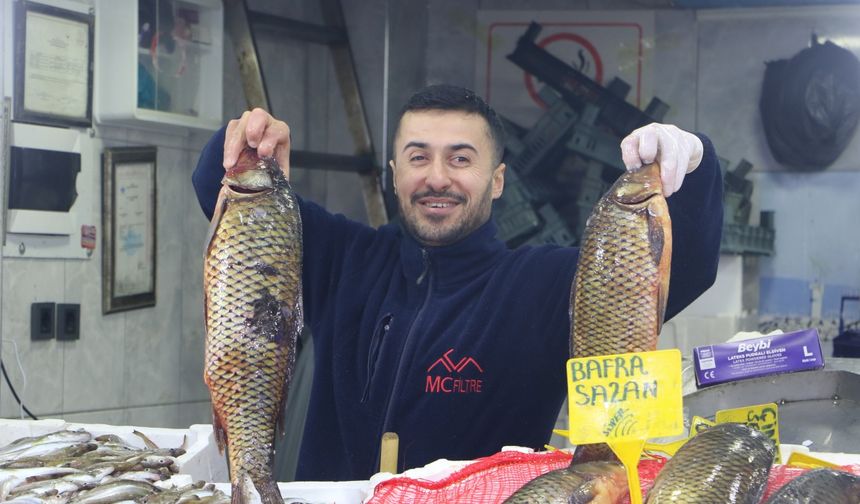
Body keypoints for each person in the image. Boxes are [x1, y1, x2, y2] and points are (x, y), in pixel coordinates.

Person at [192, 84, 723, 482]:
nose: (438, 177)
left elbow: (688, 268)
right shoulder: (343, 256)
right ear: (395, 173)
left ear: (497, 182)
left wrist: (695, 165)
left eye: (461, 159)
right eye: (419, 157)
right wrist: (248, 141)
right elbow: (216, 193)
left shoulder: (539, 284)